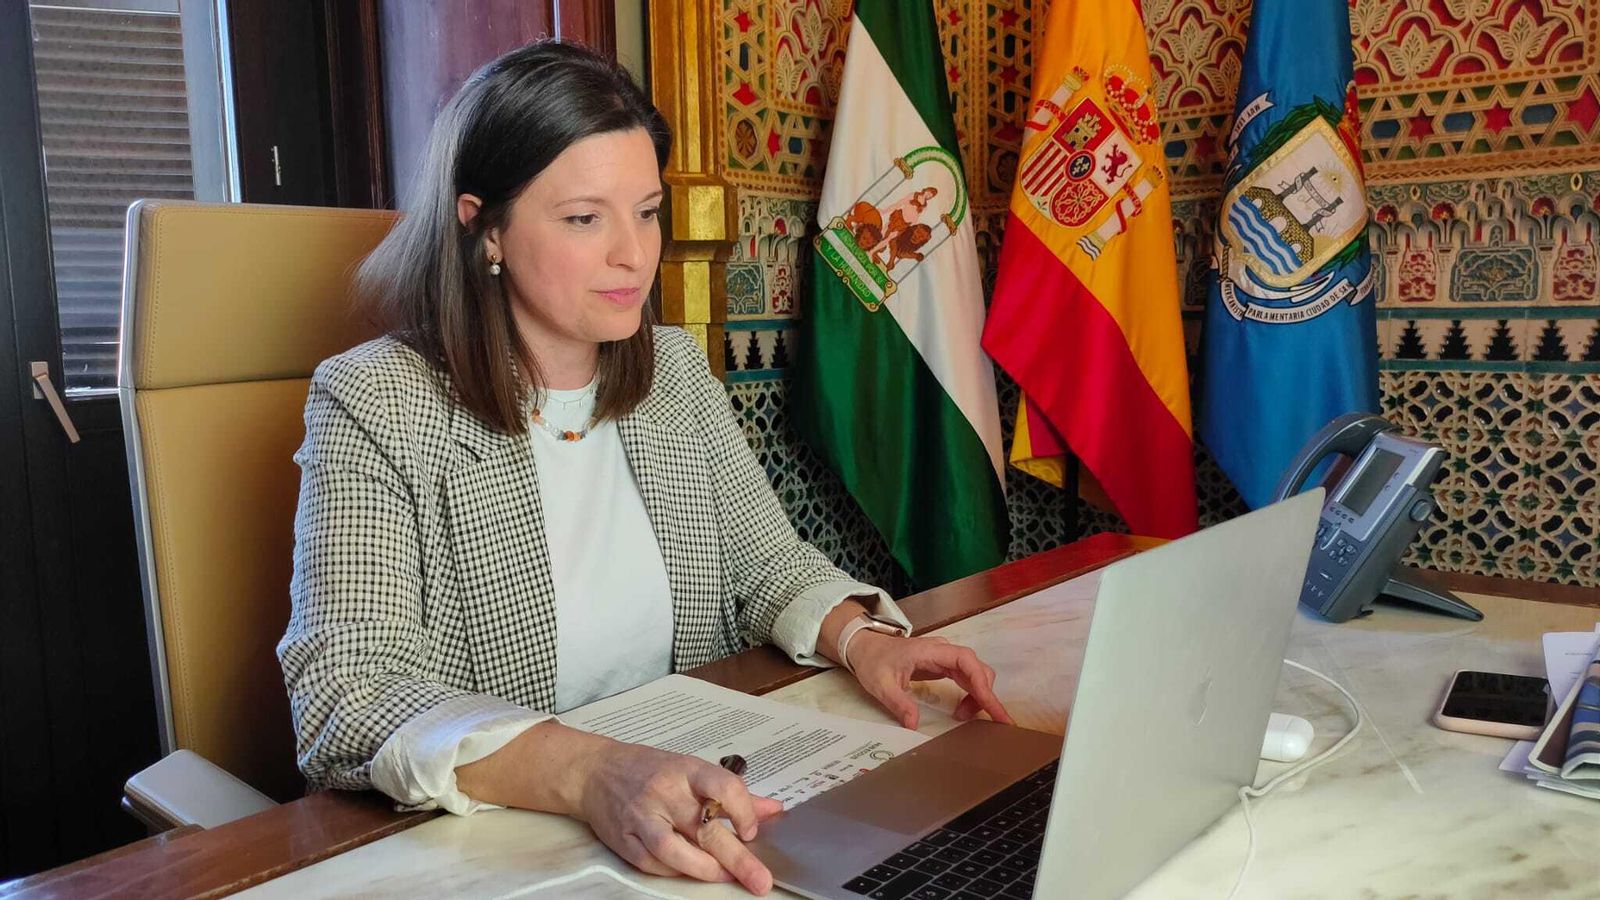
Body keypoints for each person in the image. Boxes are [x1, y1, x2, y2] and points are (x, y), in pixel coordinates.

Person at [278, 40, 1011, 896]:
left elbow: (767, 564)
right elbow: (343, 691)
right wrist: (592, 771)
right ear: (484, 228)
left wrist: (863, 639)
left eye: (649, 211)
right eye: (586, 219)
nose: (635, 253)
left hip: (688, 813)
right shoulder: (375, 400)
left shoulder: (671, 372)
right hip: (499, 851)